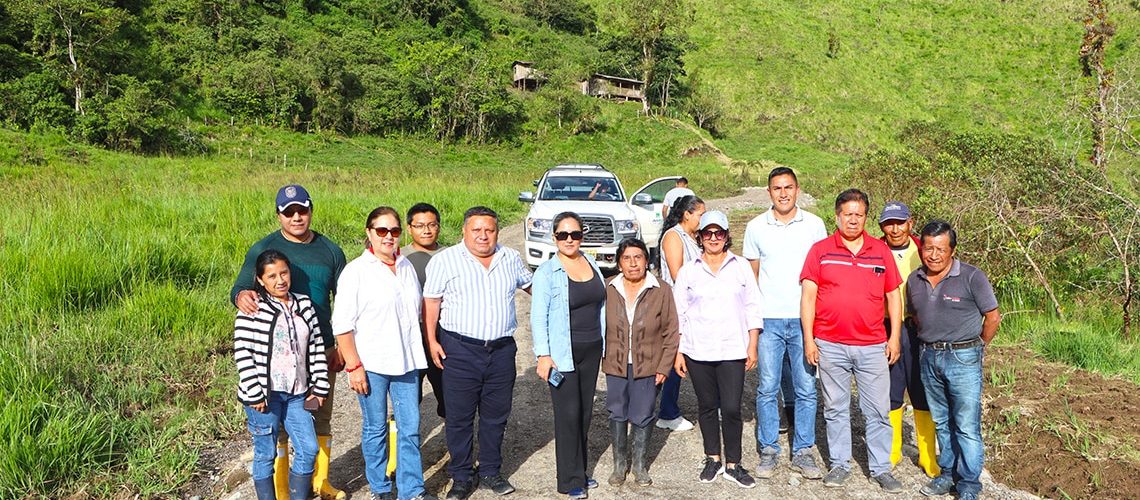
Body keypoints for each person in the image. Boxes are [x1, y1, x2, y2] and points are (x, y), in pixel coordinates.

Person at [231, 184, 347, 500]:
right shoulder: (262, 249)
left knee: (319, 418)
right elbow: (240, 290)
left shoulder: (331, 250)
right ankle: (280, 490)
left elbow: (346, 301)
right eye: (289, 211)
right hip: (269, 374)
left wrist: (339, 344)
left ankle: (320, 483)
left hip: (318, 348)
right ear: (279, 214)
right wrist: (240, 295)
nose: (297, 217)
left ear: (310, 210)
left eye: (302, 210)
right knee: (272, 437)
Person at [423, 207, 533, 500]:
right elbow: (431, 302)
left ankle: (490, 472)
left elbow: (533, 286)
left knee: (496, 415)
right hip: (458, 349)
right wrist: (432, 340)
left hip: (501, 350)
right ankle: (461, 476)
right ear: (464, 231)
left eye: (490, 230)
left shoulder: (510, 258)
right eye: (477, 230)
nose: (484, 236)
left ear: (497, 231)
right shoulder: (445, 261)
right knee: (459, 416)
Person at [800, 189, 904, 493]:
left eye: (859, 214)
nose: (853, 220)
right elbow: (808, 298)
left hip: (872, 345)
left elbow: (893, 296)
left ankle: (881, 468)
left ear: (866, 217)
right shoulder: (820, 250)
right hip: (830, 343)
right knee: (835, 408)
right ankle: (840, 464)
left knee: (877, 410)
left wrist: (894, 336)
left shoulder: (880, 251)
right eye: (848, 214)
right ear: (837, 216)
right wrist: (810, 339)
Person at [333, 206, 435, 500]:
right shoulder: (356, 272)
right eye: (382, 231)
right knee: (376, 428)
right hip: (372, 364)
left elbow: (415, 312)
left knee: (410, 429)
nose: (388, 236)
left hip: (407, 363)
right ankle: (380, 487)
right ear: (369, 233)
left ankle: (411, 489)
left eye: (394, 231)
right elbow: (342, 325)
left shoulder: (404, 267)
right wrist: (354, 366)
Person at [742, 166, 827, 480]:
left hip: (805, 319)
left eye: (788, 187)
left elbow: (823, 275)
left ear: (797, 189)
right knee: (767, 387)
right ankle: (769, 449)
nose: (783, 193)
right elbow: (751, 276)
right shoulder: (755, 227)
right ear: (769, 192)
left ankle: (803, 450)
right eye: (777, 188)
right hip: (769, 321)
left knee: (806, 387)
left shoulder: (815, 226)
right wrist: (751, 320)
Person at [907, 220, 1001, 500]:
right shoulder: (915, 279)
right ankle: (946, 474)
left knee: (966, 425)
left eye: (940, 249)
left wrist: (978, 346)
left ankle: (969, 484)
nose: (933, 255)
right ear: (921, 248)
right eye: (928, 248)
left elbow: (993, 317)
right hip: (928, 355)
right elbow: (915, 315)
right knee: (942, 420)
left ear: (952, 250)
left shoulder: (973, 277)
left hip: (963, 356)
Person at [674, 210, 762, 489]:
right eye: (708, 233)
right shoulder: (689, 271)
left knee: (732, 408)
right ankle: (712, 458)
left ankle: (733, 464)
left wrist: (753, 344)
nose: (714, 238)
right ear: (700, 237)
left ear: (726, 236)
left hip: (733, 349)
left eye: (719, 233)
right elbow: (679, 313)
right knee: (707, 406)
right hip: (698, 350)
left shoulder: (741, 266)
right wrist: (678, 351)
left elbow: (753, 307)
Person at [234, 249, 330, 500]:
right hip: (265, 396)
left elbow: (316, 346)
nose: (280, 280)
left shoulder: (304, 304)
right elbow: (242, 351)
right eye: (272, 276)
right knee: (265, 453)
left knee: (308, 449)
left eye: (284, 273)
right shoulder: (252, 308)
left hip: (297, 394)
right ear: (260, 279)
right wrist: (255, 391)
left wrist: (319, 387)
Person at [531, 212, 607, 499]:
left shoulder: (591, 264)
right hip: (563, 353)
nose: (569, 240)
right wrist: (543, 355)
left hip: (591, 349)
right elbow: (538, 317)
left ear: (582, 236)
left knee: (585, 413)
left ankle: (581, 470)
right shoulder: (547, 273)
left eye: (574, 234)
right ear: (554, 238)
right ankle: (569, 479)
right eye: (563, 235)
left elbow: (600, 305)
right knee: (567, 414)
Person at [602, 238, 679, 488]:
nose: (633, 263)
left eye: (638, 257)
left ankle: (639, 465)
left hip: (648, 364)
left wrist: (664, 366)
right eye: (627, 258)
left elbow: (671, 331)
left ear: (647, 260)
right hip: (616, 362)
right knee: (617, 410)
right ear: (619, 262)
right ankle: (619, 465)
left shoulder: (661, 289)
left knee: (643, 413)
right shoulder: (608, 288)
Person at [878, 201, 940, 478]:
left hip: (918, 329)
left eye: (900, 222)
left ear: (910, 223)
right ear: (882, 227)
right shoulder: (874, 251)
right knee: (891, 389)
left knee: (921, 390)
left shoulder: (922, 250)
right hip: (885, 327)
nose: (895, 229)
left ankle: (928, 457)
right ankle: (893, 451)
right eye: (889, 223)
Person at [655, 194, 705, 433]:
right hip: (676, 305)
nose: (702, 219)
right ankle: (666, 411)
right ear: (688, 214)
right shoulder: (674, 237)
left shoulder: (692, 238)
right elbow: (678, 274)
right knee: (675, 355)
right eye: (700, 214)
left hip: (692, 305)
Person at [402, 202, 447, 420]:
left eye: (431, 225)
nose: (426, 230)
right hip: (410, 338)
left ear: (439, 226)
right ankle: (405, 449)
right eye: (419, 226)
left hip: (445, 336)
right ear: (409, 228)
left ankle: (455, 447)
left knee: (449, 396)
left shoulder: (452, 256)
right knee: (409, 398)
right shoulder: (398, 258)